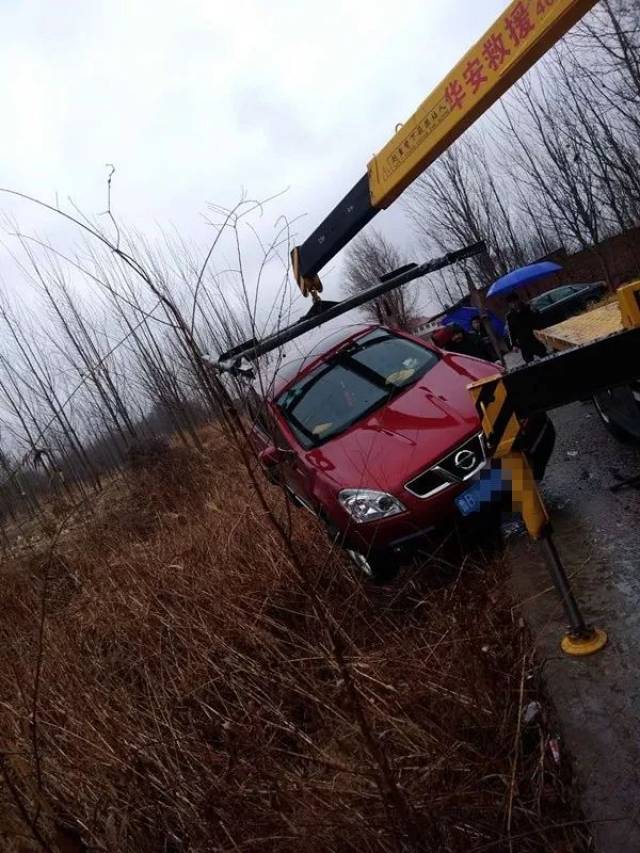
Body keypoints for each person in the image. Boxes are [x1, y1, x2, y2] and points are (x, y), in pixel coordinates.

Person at [505, 292, 547, 363]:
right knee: (528, 361)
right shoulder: (510, 316)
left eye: (514, 301)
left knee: (544, 356)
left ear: (518, 300)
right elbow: (511, 331)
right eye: (511, 303)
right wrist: (513, 345)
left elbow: (539, 321)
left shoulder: (528, 308)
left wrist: (534, 311)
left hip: (534, 338)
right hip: (523, 342)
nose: (513, 304)